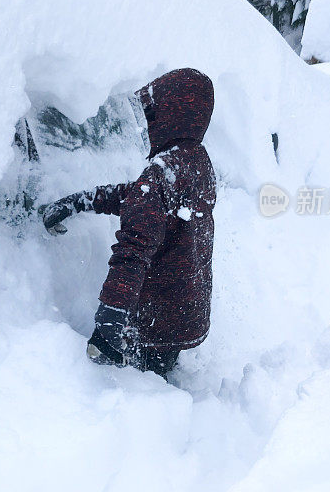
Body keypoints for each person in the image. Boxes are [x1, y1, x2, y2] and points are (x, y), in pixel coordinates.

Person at [41, 68, 216, 378]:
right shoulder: (197, 163)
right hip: (184, 310)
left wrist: (111, 315)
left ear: (169, 117)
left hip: (155, 318)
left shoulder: (163, 172)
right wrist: (82, 201)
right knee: (158, 378)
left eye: (151, 114)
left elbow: (133, 248)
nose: (146, 125)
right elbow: (141, 199)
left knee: (141, 390)